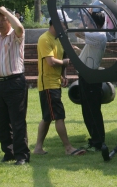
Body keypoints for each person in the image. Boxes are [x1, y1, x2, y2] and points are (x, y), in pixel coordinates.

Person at [0, 7, 30, 165]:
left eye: (3, 19)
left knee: (17, 120)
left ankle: (22, 155)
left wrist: (6, 11)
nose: (0, 23)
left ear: (9, 20)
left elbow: (20, 27)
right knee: (2, 122)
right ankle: (9, 152)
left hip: (15, 82)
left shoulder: (15, 36)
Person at [34, 10, 86, 157]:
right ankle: (68, 148)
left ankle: (38, 148)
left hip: (55, 82)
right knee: (58, 116)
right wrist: (66, 62)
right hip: (48, 84)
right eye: (65, 23)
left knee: (47, 117)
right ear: (56, 23)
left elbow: (62, 55)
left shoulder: (58, 39)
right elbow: (50, 62)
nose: (66, 26)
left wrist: (64, 74)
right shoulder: (45, 39)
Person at [74, 11, 110, 162]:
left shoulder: (99, 35)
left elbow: (78, 31)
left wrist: (84, 16)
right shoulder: (96, 35)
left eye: (89, 21)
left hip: (91, 77)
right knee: (88, 109)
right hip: (86, 75)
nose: (87, 23)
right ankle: (95, 139)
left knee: (92, 110)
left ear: (93, 23)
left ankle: (98, 141)